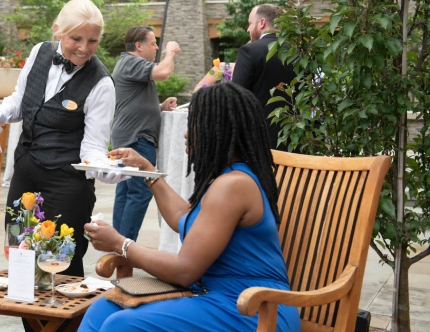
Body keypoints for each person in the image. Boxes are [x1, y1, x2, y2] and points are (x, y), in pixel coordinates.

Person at [80, 82, 300, 332]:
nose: (186, 134)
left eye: (194, 124)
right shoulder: (227, 178)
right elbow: (182, 217)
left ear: (221, 131)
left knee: (123, 325)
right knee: (103, 308)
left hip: (254, 308)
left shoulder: (233, 185)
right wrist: (146, 169)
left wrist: (121, 244)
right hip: (219, 298)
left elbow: (185, 271)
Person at [0, 0, 117, 277]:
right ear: (57, 30)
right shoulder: (39, 52)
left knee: (59, 265)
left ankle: (66, 323)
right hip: (25, 176)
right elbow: (21, 100)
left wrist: (105, 168)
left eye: (93, 40)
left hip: (66, 186)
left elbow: (93, 145)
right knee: (19, 255)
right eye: (76, 38)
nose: (84, 48)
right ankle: (28, 320)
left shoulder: (101, 83)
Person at [111, 26, 180, 242]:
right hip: (137, 138)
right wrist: (170, 52)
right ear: (138, 46)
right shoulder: (132, 62)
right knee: (140, 192)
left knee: (126, 192)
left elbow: (133, 103)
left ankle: (117, 244)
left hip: (131, 135)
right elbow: (164, 72)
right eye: (153, 43)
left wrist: (159, 107)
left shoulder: (131, 65)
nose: (157, 47)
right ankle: (125, 249)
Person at [231, 4, 296, 149]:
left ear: (261, 23)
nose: (248, 29)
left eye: (249, 24)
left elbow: (235, 95)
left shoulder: (250, 51)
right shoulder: (299, 51)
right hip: (296, 141)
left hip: (259, 141)